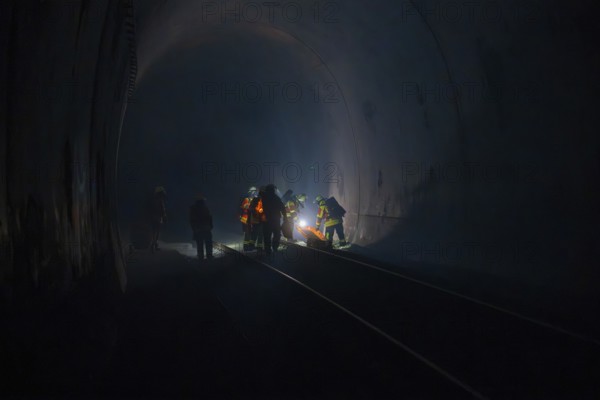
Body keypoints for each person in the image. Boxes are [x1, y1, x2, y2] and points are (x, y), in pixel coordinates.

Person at [261, 184, 288, 254]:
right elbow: (283, 208)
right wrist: (285, 218)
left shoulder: (263, 197)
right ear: (273, 190)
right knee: (277, 234)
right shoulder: (276, 198)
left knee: (267, 235)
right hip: (276, 219)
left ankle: (268, 250)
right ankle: (275, 247)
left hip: (266, 220)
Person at [190, 195, 213, 260]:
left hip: (199, 229)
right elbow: (210, 217)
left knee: (200, 244)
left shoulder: (193, 208)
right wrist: (211, 226)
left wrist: (194, 229)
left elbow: (191, 220)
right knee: (208, 243)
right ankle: (209, 256)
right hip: (205, 229)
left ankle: (201, 258)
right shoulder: (205, 208)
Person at [149, 186, 167, 252]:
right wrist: (164, 216)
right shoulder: (159, 200)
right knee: (156, 232)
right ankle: (153, 244)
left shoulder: (154, 200)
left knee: (154, 232)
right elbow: (162, 210)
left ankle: (154, 245)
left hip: (155, 218)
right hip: (157, 218)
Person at [248, 186, 266, 252]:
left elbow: (250, 208)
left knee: (254, 233)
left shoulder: (255, 199)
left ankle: (251, 246)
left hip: (256, 220)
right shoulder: (261, 200)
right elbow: (252, 209)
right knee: (260, 233)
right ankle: (259, 247)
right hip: (259, 220)